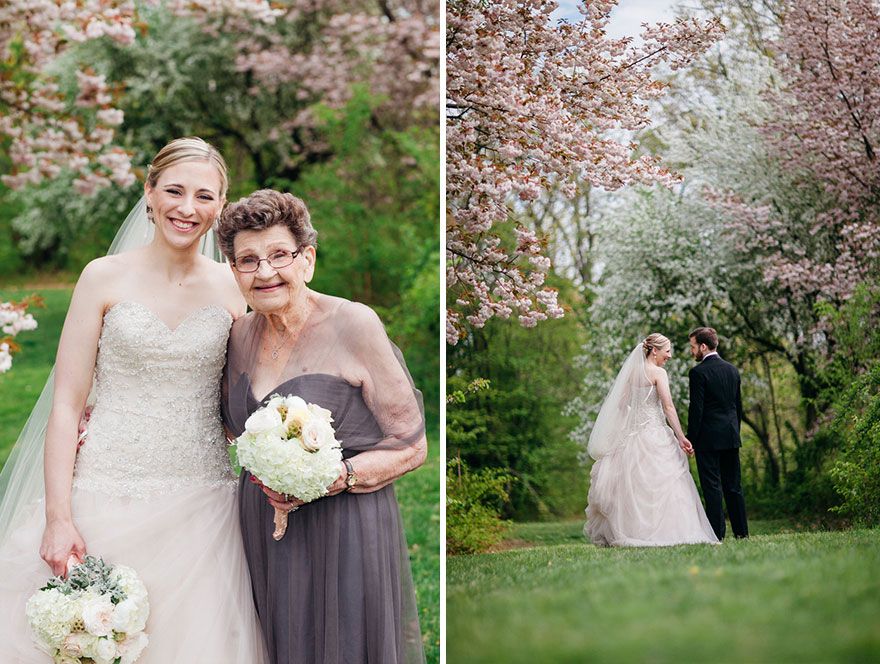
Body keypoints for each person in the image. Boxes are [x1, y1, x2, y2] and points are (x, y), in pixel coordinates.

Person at [0, 137, 268, 662]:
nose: (187, 208)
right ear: (149, 193)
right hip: (103, 492)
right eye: (174, 190)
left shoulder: (234, 288)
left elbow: (245, 398)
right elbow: (66, 406)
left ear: (220, 208)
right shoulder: (102, 277)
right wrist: (59, 518)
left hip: (203, 506)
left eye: (205, 196)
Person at [218, 189, 427, 664]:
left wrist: (337, 479)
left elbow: (412, 446)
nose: (264, 272)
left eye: (279, 255)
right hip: (261, 525)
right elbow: (221, 425)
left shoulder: (353, 324)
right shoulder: (237, 335)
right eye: (247, 260)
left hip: (343, 525)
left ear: (307, 259)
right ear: (233, 271)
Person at [585, 334, 718, 547]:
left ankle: (634, 531)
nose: (670, 355)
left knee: (634, 487)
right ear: (654, 350)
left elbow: (621, 405)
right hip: (656, 435)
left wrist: (630, 422)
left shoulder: (632, 373)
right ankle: (668, 532)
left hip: (634, 436)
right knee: (666, 484)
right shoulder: (658, 373)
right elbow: (668, 407)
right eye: (667, 350)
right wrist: (681, 437)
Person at [687, 327, 749, 540]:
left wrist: (690, 440)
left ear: (703, 347)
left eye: (693, 347)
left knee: (712, 488)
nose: (692, 351)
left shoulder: (698, 373)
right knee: (734, 487)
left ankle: (716, 536)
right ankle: (742, 534)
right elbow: (738, 407)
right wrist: (734, 432)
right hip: (731, 436)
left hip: (707, 439)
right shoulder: (732, 370)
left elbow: (697, 410)